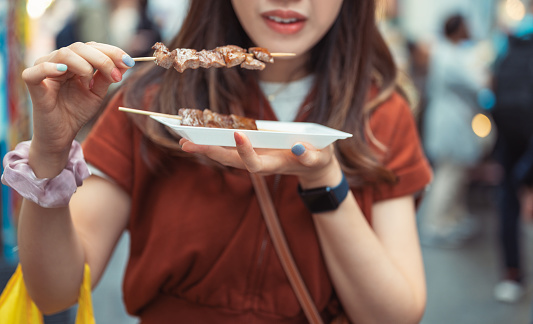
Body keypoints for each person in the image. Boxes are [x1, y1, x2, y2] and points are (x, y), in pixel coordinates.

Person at [2, 0, 432, 322]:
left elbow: (394, 315)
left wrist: (325, 179)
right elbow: (54, 292)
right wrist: (50, 153)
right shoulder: (151, 102)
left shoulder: (381, 115)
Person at [417, 13, 489, 247]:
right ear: (457, 29)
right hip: (450, 122)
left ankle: (452, 219)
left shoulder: (450, 52)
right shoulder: (447, 55)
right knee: (449, 174)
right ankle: (436, 224)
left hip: (454, 120)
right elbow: (475, 84)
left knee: (456, 174)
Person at [491, 1, 533, 304]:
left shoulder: (508, 43)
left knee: (507, 208)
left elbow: (490, 93)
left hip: (508, 140)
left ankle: (512, 273)